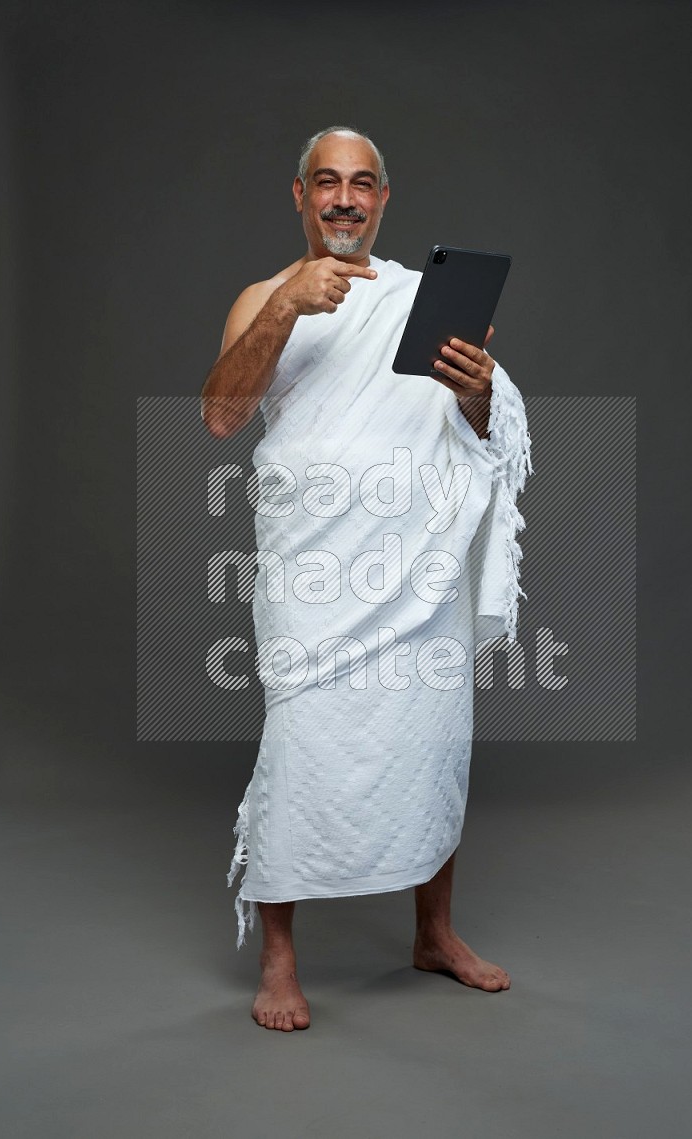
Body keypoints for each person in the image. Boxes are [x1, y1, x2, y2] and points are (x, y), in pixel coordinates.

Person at [201, 125, 533, 1031]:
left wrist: (475, 387)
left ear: (384, 199)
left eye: (362, 184)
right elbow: (223, 417)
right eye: (326, 183)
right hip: (315, 573)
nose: (344, 198)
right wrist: (288, 309)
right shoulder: (264, 296)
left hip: (416, 570)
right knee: (301, 746)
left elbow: (481, 429)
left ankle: (435, 933)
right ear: (299, 195)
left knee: (431, 739)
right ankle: (279, 957)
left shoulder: (427, 298)